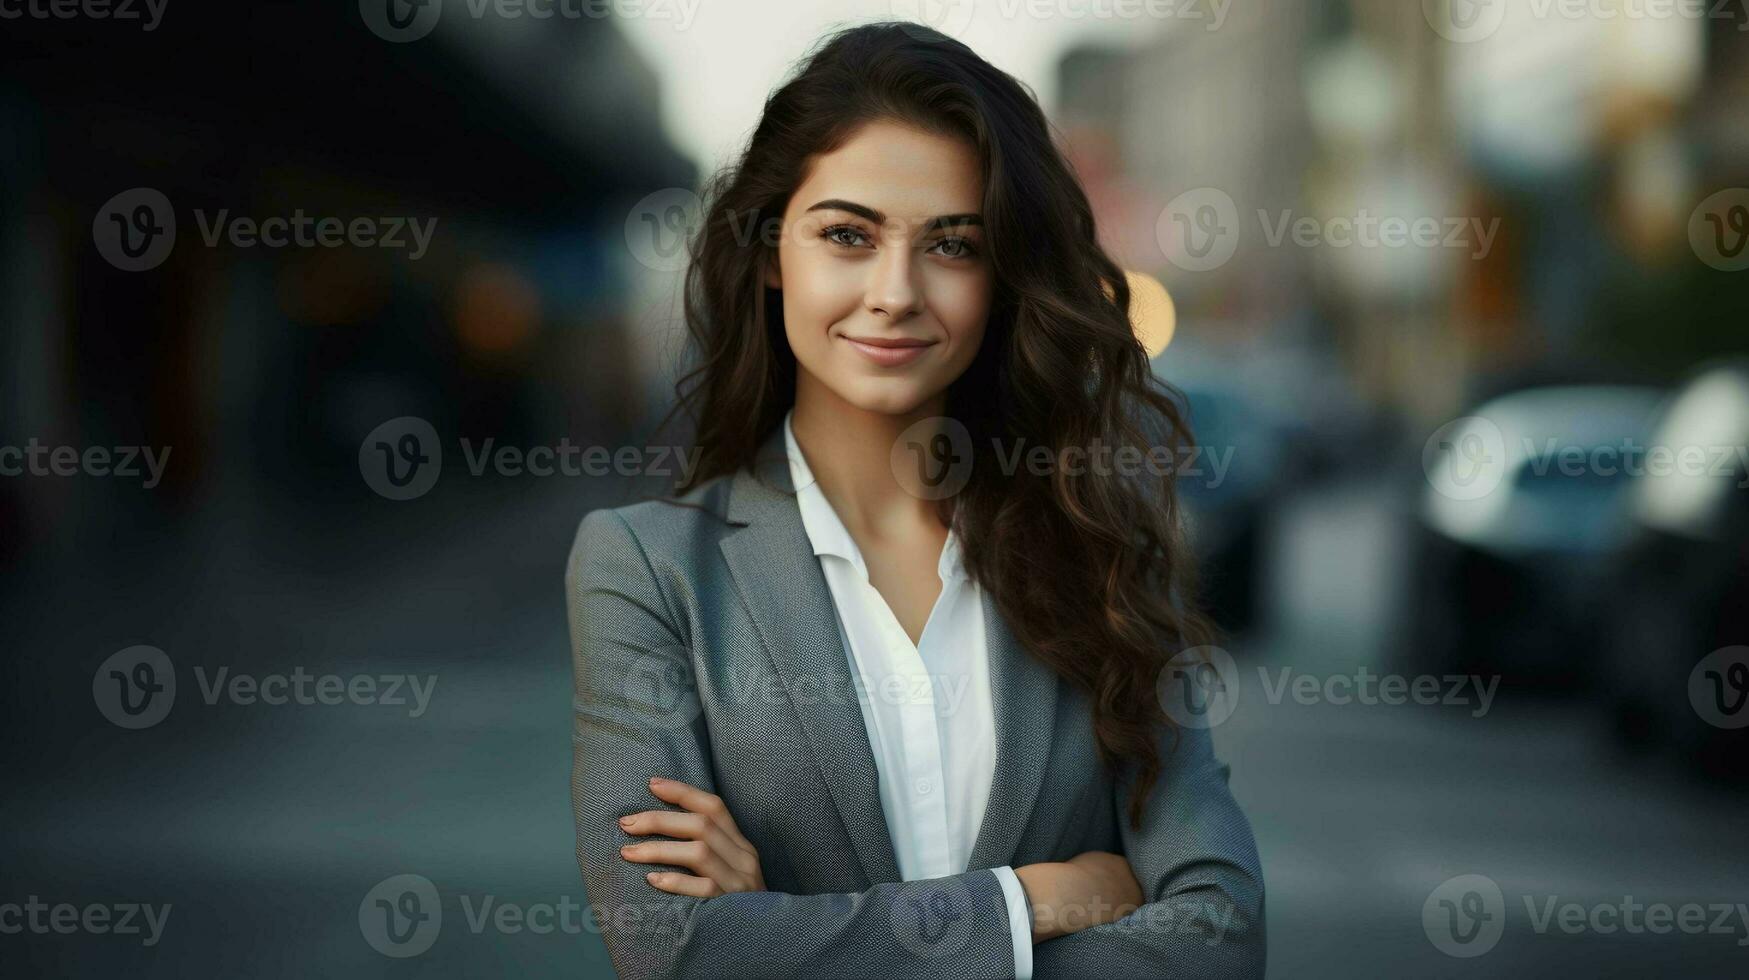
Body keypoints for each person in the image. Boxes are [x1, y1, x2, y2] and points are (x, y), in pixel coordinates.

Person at [566, 21, 1264, 979]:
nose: (895, 292)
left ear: (1003, 274)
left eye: (951, 244)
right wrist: (1030, 905)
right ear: (773, 253)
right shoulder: (645, 570)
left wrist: (784, 932)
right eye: (847, 235)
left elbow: (1219, 940)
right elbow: (674, 950)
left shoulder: (1102, 551)